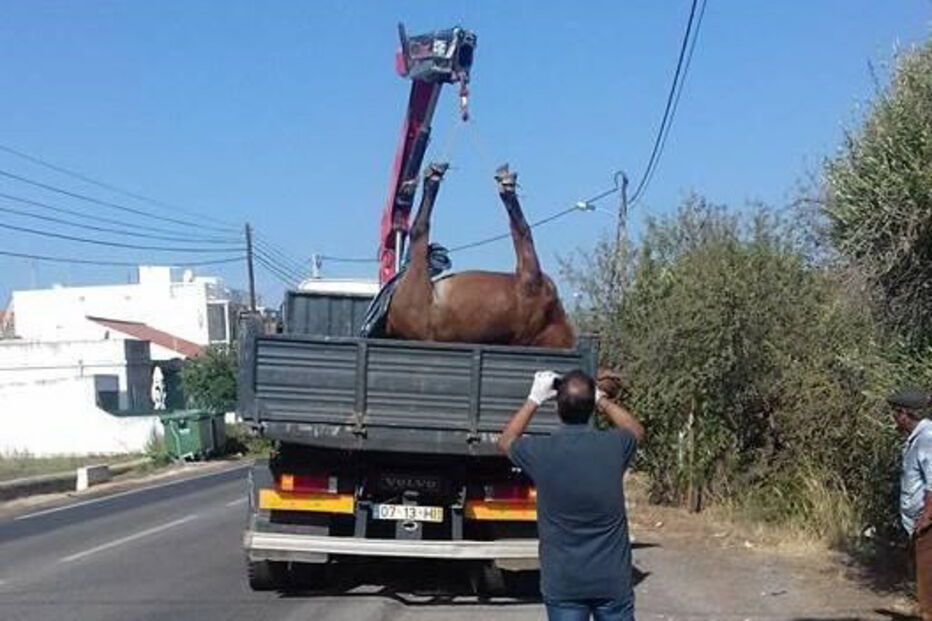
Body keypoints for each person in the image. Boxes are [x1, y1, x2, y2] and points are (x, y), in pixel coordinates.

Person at [498, 369, 644, 621]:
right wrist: (601, 399)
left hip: (564, 582)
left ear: (558, 408)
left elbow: (506, 440)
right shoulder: (613, 446)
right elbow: (636, 431)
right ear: (590, 408)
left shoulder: (541, 451)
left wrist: (534, 398)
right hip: (611, 579)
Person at [888, 387, 932, 621]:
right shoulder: (916, 439)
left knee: (928, 585)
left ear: (905, 413)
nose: (894, 419)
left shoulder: (927, 439)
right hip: (919, 523)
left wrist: (927, 516)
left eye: (895, 414)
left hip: (927, 524)